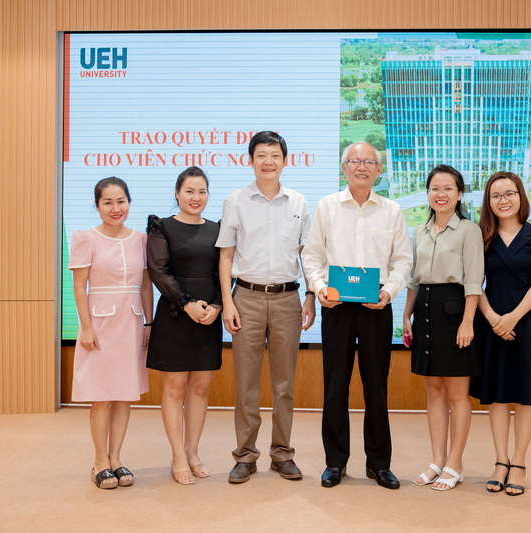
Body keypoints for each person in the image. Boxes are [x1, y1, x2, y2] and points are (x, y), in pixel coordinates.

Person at [302, 141, 412, 490]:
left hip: (376, 304)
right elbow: (312, 255)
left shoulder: (392, 210)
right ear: (344, 168)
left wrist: (388, 292)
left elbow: (403, 260)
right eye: (354, 161)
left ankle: (379, 464)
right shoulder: (326, 207)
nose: (361, 167)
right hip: (336, 306)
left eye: (369, 162)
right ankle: (335, 462)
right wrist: (320, 288)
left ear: (379, 170)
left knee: (376, 386)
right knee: (335, 385)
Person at [216, 131, 315, 483]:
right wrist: (228, 302)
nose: (268, 161)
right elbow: (225, 255)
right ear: (251, 160)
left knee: (284, 384)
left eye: (274, 155)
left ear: (285, 161)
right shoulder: (235, 201)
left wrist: (311, 295)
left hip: (288, 299)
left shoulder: (298, 202)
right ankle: (245, 456)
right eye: (261, 155)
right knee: (246, 385)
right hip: (246, 298)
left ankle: (282, 454)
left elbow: (307, 255)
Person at [469, 171, 531, 496]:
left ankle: (519, 462)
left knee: (524, 395)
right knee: (497, 395)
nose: (503, 200)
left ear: (521, 196)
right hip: (491, 321)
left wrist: (512, 318)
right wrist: (494, 318)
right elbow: (474, 282)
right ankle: (500, 461)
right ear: (488, 202)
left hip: (527, 322)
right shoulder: (480, 236)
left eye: (509, 193)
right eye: (495, 195)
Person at [402, 165, 484, 491]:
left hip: (455, 312)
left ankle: (456, 463)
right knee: (433, 390)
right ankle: (437, 460)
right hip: (424, 310)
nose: (441, 194)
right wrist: (405, 317)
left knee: (457, 394)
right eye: (435, 188)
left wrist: (468, 322)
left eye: (448, 188)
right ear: (427, 193)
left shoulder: (469, 230)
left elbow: (474, 281)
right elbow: (413, 280)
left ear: (459, 193)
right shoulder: (420, 231)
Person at [68, 177, 153, 489]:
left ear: (129, 202)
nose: (115, 208)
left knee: (123, 396)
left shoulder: (141, 239)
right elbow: (79, 286)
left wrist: (149, 323)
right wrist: (86, 327)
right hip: (100, 327)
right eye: (108, 202)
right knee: (102, 397)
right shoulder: (85, 238)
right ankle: (99, 462)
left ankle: (116, 459)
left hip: (131, 324)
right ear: (97, 206)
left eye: (121, 201)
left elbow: (146, 284)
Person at [145, 166, 222, 485]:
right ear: (177, 193)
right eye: (189, 191)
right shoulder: (161, 227)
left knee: (201, 388)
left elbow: (225, 271)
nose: (196, 197)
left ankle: (192, 452)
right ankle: (177, 455)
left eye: (202, 191)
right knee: (174, 388)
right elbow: (158, 271)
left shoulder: (218, 229)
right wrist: (186, 303)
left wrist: (217, 305)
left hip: (208, 317)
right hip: (175, 314)